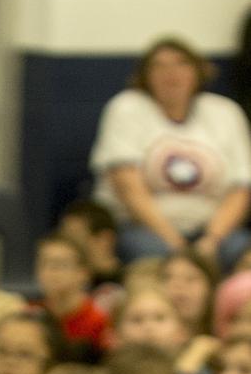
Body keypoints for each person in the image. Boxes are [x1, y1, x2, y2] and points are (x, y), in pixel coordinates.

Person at [90, 36, 251, 270]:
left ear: (197, 71)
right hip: (145, 229)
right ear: (145, 76)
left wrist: (211, 241)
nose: (171, 73)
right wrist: (177, 245)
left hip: (212, 231)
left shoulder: (224, 112)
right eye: (159, 66)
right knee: (154, 255)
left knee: (242, 250)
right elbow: (130, 189)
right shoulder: (127, 108)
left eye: (181, 63)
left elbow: (241, 188)